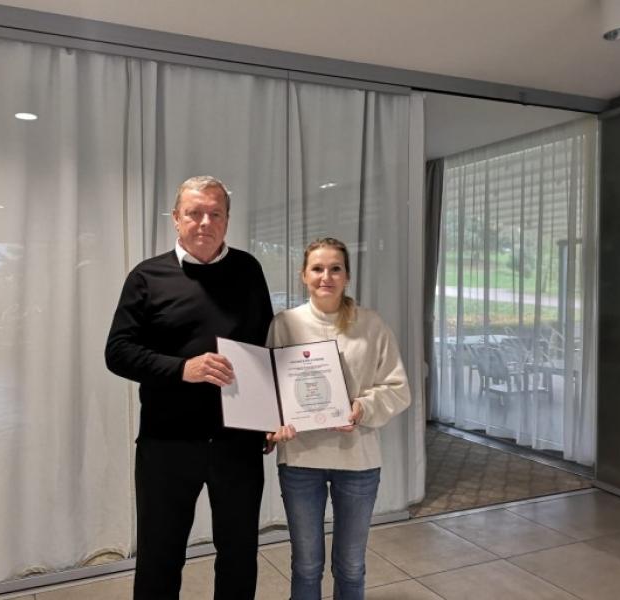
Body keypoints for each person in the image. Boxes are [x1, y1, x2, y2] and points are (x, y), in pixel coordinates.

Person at [105, 175, 273, 600]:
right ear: (176, 218)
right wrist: (183, 369)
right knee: (160, 558)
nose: (205, 222)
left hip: (238, 443)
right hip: (167, 444)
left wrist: (272, 415)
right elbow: (118, 352)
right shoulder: (147, 276)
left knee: (239, 556)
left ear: (227, 220)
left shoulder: (249, 270)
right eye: (194, 213)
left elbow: (264, 348)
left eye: (215, 213)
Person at [267, 237, 411, 600]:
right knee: (306, 566)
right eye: (317, 268)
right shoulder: (285, 323)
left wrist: (362, 408)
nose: (326, 276)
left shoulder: (371, 324)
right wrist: (275, 423)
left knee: (350, 566)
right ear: (303, 275)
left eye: (335, 269)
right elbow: (270, 390)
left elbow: (398, 389)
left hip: (357, 461)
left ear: (347, 276)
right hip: (300, 460)